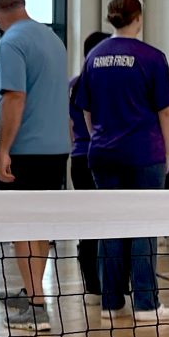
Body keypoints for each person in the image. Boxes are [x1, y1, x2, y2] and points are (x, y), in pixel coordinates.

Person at [77, 0, 169, 323]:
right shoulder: (151, 57)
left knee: (112, 226)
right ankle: (146, 303)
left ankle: (110, 302)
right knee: (144, 226)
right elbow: (165, 110)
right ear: (139, 18)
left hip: (103, 152)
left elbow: (87, 110)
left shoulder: (93, 57)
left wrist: (99, 139)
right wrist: (166, 151)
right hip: (143, 152)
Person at [0, 0, 70, 334]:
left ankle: (37, 305)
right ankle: (33, 292)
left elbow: (15, 97)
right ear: (22, 4)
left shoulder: (11, 42)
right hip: (56, 149)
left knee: (19, 226)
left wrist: (3, 149)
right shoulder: (53, 39)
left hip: (26, 150)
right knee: (39, 226)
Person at [68, 30, 110, 300]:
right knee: (103, 221)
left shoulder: (73, 83)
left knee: (90, 221)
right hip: (97, 156)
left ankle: (94, 280)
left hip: (79, 156)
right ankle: (99, 280)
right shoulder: (99, 82)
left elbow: (72, 126)